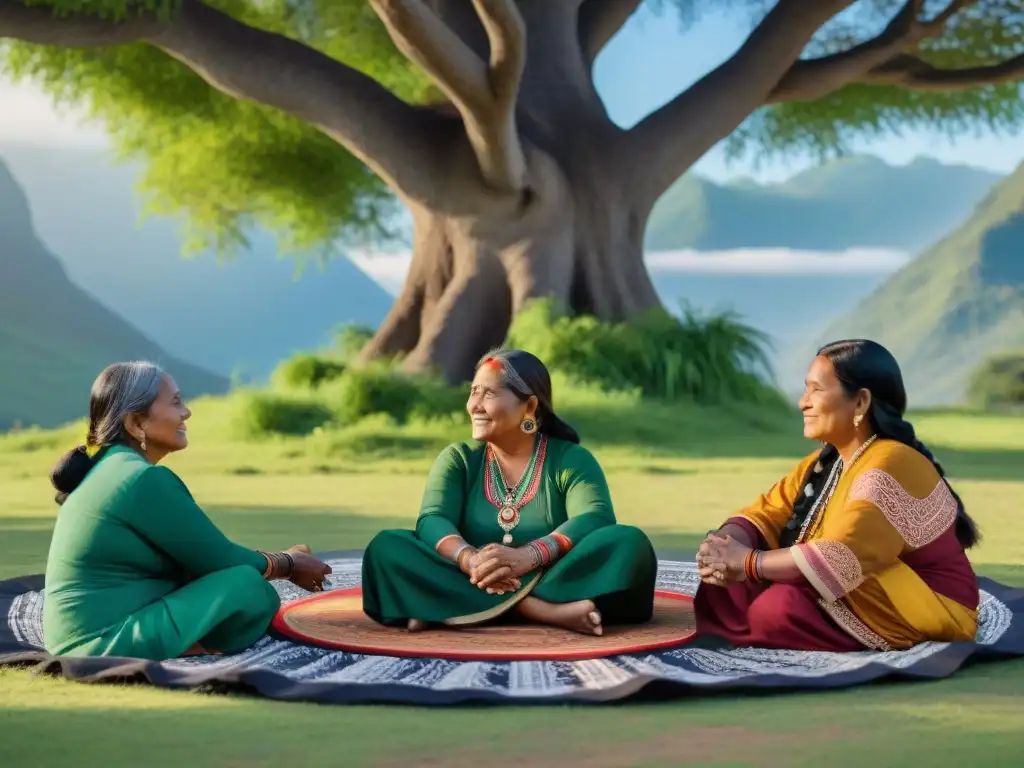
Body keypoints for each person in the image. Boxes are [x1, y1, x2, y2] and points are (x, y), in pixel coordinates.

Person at [694, 339, 981, 652]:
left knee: (778, 606)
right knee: (725, 586)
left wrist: (749, 562)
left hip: (926, 601)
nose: (804, 403)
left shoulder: (892, 462)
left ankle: (766, 629)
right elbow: (766, 513)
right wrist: (723, 546)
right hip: (858, 579)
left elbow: (842, 557)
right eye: (805, 390)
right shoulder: (826, 462)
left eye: (816, 390)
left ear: (860, 402)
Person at [43, 361, 332, 661]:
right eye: (176, 403)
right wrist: (288, 563)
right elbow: (222, 559)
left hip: (78, 637)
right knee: (246, 585)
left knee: (226, 579)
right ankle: (199, 646)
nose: (186, 413)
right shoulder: (142, 479)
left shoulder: (112, 468)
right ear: (136, 424)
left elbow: (201, 555)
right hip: (103, 642)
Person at [361, 349, 658, 636]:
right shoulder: (459, 459)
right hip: (471, 573)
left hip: (551, 574)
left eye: (488, 394)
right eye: (473, 391)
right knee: (387, 547)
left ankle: (445, 605)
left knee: (629, 544)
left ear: (529, 407)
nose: (474, 405)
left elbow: (595, 517)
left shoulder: (570, 459)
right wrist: (470, 560)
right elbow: (432, 519)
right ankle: (542, 611)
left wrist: (529, 556)